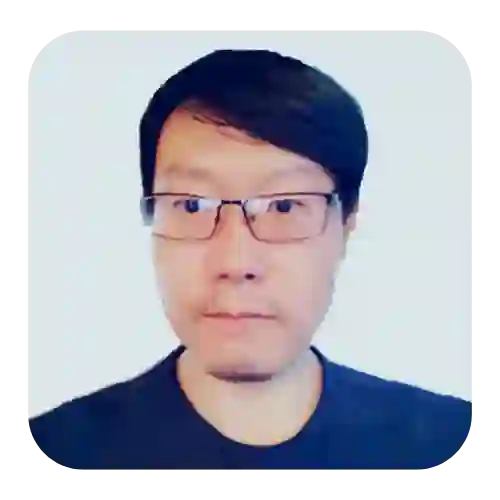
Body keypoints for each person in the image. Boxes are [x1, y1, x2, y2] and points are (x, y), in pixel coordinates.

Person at [25, 49, 471, 471]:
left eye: (284, 206)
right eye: (192, 206)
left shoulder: (448, 441)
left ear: (346, 226)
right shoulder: (57, 449)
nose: (236, 262)